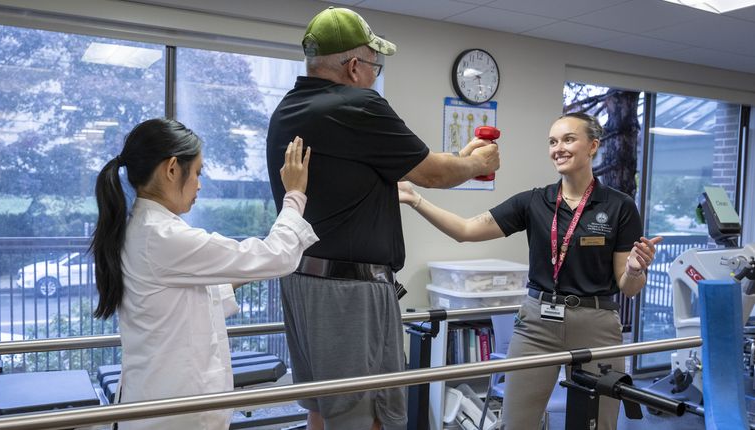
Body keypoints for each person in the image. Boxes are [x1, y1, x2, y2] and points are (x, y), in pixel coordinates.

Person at [265, 6, 500, 430]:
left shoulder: (288, 110)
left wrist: (456, 161)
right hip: (349, 291)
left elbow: (354, 181)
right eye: (375, 65)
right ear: (354, 66)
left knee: (321, 409)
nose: (376, 75)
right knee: (366, 416)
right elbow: (432, 173)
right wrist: (475, 161)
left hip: (301, 280)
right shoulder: (358, 104)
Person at [398, 112, 662, 430]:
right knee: (517, 423)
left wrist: (634, 269)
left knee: (598, 424)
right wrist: (416, 200)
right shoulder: (535, 202)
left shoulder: (619, 206)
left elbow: (629, 287)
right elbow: (466, 230)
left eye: (568, 139)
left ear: (592, 146)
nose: (558, 148)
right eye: (552, 142)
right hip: (537, 325)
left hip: (597, 323)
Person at [91, 118, 318, 430]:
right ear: (172, 169)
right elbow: (277, 256)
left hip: (157, 401)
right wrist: (294, 194)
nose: (199, 183)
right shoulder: (163, 236)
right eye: (197, 172)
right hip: (173, 413)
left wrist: (244, 268)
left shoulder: (142, 229)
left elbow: (186, 296)